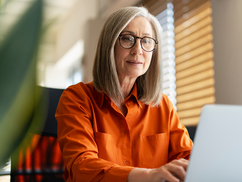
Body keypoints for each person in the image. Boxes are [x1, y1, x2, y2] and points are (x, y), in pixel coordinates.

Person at [55, 6, 193, 182]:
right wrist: (148, 175)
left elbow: (189, 159)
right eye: (128, 39)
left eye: (147, 41)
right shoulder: (77, 98)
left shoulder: (162, 105)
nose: (138, 50)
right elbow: (82, 167)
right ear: (109, 44)